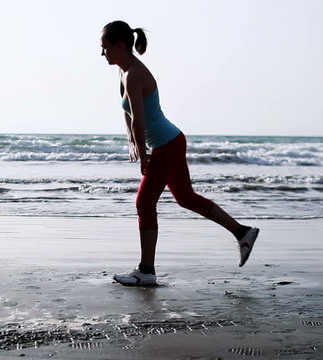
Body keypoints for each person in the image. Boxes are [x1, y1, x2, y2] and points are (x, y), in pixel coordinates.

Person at [101, 21, 259, 285]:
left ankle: (146, 271)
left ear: (119, 45)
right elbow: (126, 109)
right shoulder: (123, 71)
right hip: (172, 140)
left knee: (144, 203)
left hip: (165, 144)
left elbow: (140, 120)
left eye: (105, 48)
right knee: (185, 197)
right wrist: (130, 139)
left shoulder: (134, 74)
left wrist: (142, 152)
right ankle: (242, 232)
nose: (103, 54)